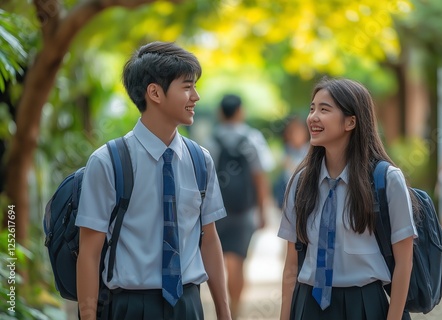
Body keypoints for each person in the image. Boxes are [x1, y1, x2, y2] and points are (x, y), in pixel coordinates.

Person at [76, 41, 231, 320]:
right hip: (129, 307)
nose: (196, 96)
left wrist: (224, 313)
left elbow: (209, 240)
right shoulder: (108, 161)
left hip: (188, 305)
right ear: (155, 93)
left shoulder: (200, 160)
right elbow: (89, 251)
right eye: (187, 86)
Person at [278, 77, 417, 320]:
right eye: (312, 109)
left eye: (324, 109)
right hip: (308, 305)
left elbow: (404, 264)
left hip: (364, 306)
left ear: (351, 121)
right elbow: (291, 265)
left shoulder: (386, 180)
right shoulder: (300, 183)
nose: (313, 117)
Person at [206, 93, 275, 319]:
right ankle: (235, 310)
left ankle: (222, 309)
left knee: (219, 260)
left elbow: (205, 179)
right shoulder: (252, 138)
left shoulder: (210, 140)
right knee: (238, 260)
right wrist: (262, 210)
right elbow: (260, 177)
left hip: (216, 212)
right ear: (240, 111)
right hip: (244, 210)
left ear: (220, 113)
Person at [273, 115, 310, 209]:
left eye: (298, 131)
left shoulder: (310, 151)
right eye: (291, 132)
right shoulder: (287, 150)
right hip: (287, 196)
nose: (294, 135)